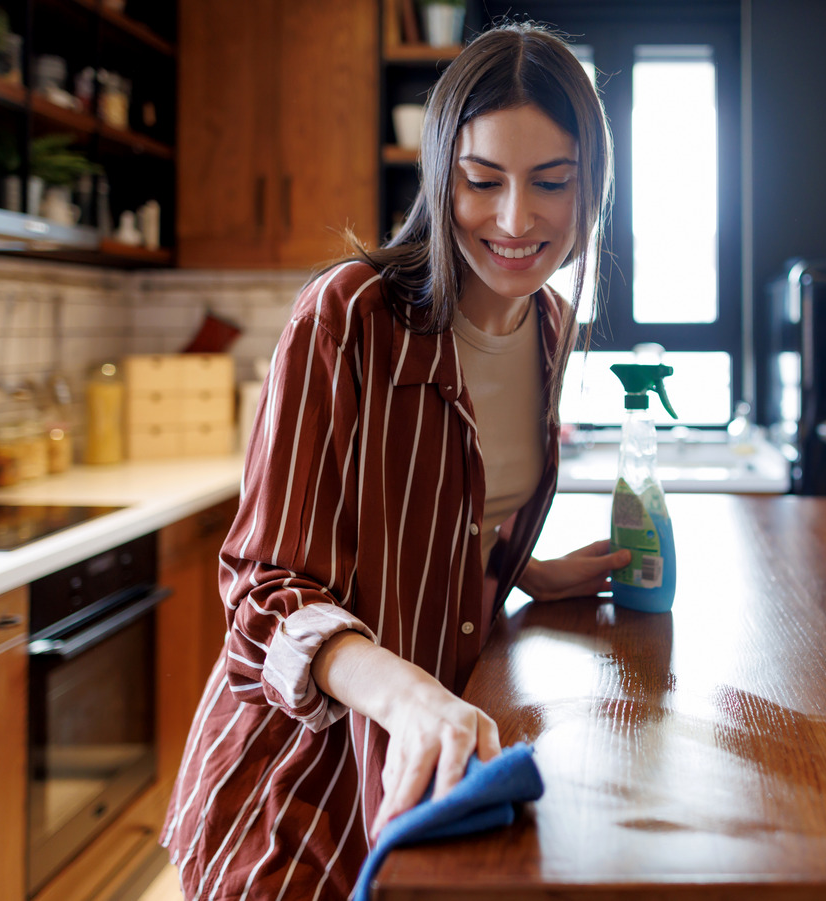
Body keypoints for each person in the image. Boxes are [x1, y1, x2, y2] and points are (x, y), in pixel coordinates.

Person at [162, 23, 621, 901]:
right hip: (299, 783)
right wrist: (403, 692)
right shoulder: (348, 317)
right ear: (440, 172)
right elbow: (263, 595)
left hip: (428, 775)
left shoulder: (551, 329)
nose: (517, 219)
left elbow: (452, 514)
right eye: (483, 181)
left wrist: (520, 567)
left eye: (552, 182)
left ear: (589, 184)